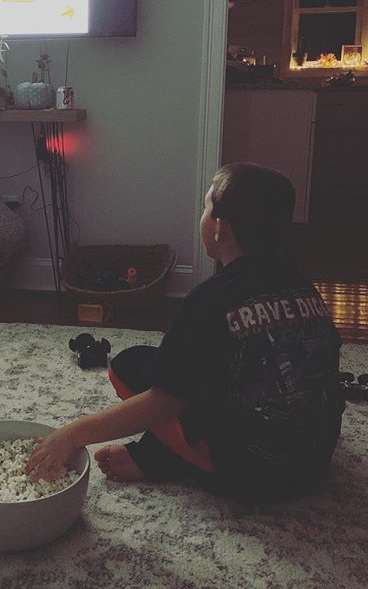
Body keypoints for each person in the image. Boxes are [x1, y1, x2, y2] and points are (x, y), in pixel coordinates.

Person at [27, 163, 345, 501]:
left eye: (206, 207)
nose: (203, 215)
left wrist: (73, 435)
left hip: (254, 475)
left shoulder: (210, 299)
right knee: (185, 371)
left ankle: (157, 458)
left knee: (127, 368)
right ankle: (158, 455)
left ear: (221, 229)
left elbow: (162, 404)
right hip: (314, 459)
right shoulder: (305, 288)